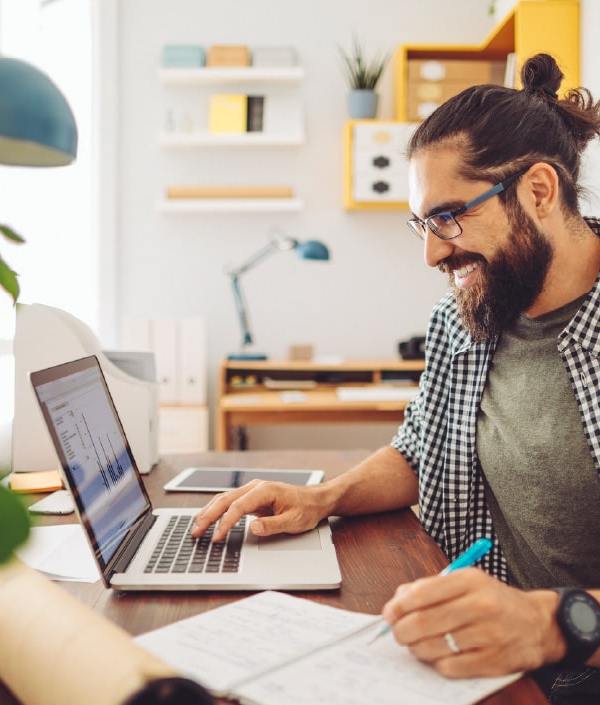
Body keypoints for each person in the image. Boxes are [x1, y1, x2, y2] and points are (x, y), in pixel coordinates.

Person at [192, 54, 600, 704]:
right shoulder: (466, 315)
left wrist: (551, 623)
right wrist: (323, 497)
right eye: (423, 223)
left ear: (540, 192)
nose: (433, 252)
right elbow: (418, 451)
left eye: (447, 217)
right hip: (487, 647)